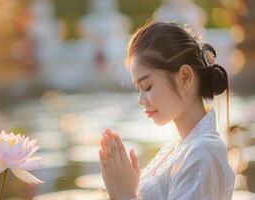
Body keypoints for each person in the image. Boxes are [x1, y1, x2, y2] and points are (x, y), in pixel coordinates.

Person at [99, 20, 235, 200]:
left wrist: (126, 194)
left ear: (185, 78)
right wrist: (131, 187)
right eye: (138, 89)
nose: (141, 100)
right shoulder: (176, 149)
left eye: (147, 86)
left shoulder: (203, 151)